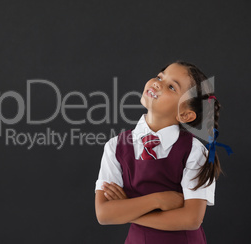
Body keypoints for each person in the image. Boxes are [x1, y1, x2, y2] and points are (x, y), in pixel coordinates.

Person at [94, 61, 232, 243]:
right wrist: (158, 200)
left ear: (185, 115)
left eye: (172, 87)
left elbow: (191, 219)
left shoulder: (194, 151)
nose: (157, 83)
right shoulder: (115, 147)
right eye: (160, 76)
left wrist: (127, 210)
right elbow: (104, 214)